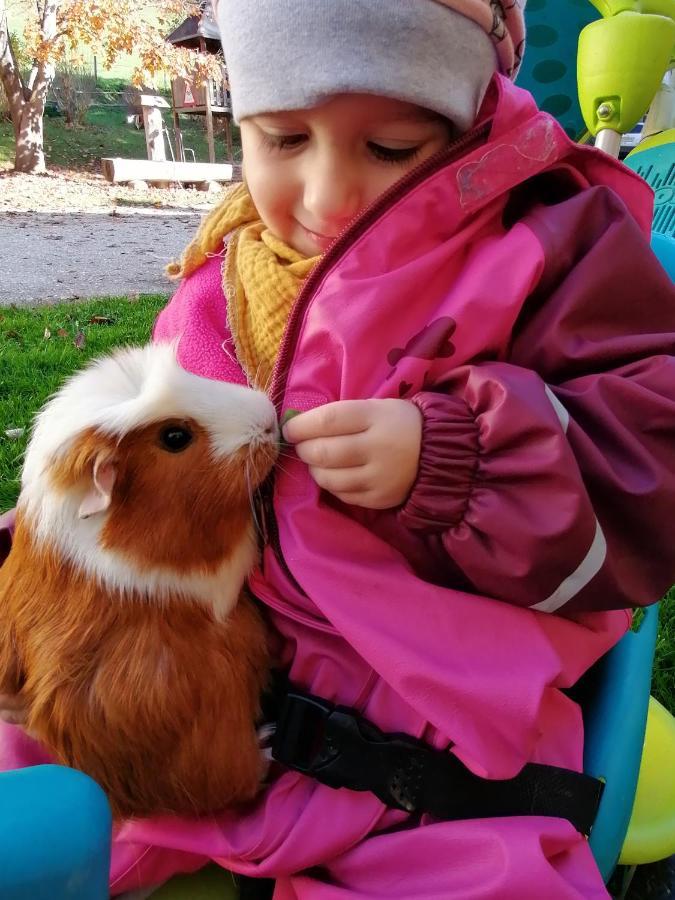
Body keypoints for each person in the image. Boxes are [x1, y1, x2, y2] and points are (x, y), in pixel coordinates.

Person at [1, 1, 675, 897]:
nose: (325, 195)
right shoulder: (224, 272)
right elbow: (139, 476)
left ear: (467, 114)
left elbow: (648, 459)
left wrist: (459, 459)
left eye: (390, 147)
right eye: (281, 137)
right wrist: (41, 560)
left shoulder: (547, 246)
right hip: (185, 697)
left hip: (424, 758)